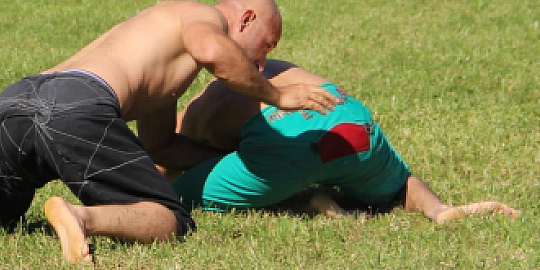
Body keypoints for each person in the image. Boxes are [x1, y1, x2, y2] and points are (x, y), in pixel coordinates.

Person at [0, 0, 341, 265]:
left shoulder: (161, 48)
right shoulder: (202, 17)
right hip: (77, 103)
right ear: (245, 18)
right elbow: (213, 50)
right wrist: (277, 95)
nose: (260, 62)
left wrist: (236, 162)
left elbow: (160, 147)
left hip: (16, 100)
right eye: (265, 45)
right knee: (169, 217)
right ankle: (80, 216)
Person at [158, 61, 518, 224]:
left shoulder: (202, 105)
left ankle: (307, 202)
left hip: (287, 144)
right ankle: (438, 210)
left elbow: (164, 156)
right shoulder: (277, 66)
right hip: (347, 118)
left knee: (176, 194)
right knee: (398, 185)